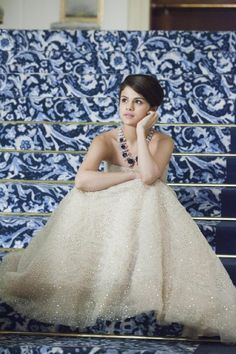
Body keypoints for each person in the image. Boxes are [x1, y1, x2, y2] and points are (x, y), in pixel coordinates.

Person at [0, 74, 235, 342]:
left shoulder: (162, 141)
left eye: (138, 102)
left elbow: (148, 176)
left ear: (152, 110)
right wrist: (129, 175)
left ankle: (151, 290)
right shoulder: (106, 140)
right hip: (107, 216)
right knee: (92, 194)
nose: (128, 108)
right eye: (124, 100)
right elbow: (83, 179)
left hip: (145, 219)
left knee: (151, 191)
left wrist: (138, 133)